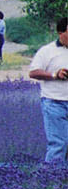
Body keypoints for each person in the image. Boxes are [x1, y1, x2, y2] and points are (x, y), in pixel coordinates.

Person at [28, 18, 68, 164]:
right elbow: (33, 72)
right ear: (60, 33)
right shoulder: (47, 51)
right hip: (54, 103)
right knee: (59, 144)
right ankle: (52, 181)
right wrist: (55, 75)